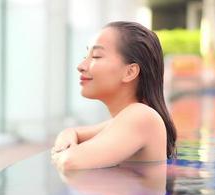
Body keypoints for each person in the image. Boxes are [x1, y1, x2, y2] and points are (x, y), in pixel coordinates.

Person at [51, 21, 177, 171]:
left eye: (96, 56)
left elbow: (69, 163)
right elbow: (72, 132)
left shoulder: (141, 115)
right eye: (86, 55)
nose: (81, 66)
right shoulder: (127, 118)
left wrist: (63, 153)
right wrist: (66, 143)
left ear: (129, 72)